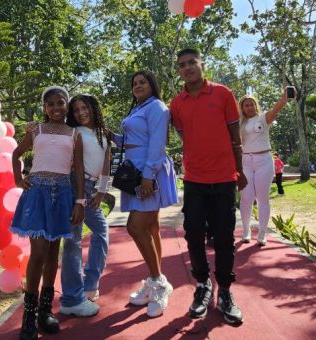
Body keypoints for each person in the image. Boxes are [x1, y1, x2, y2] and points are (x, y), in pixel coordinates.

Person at [169, 48, 246, 325]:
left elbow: (235, 137)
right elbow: (185, 136)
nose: (187, 68)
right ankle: (202, 286)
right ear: (179, 71)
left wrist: (240, 170)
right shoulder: (176, 104)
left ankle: (224, 290)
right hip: (194, 180)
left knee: (224, 237)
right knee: (193, 235)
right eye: (182, 65)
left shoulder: (223, 93)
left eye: (192, 62)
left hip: (224, 178)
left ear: (202, 64)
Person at [10, 86, 85, 340]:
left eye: (60, 103)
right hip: (38, 193)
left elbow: (78, 169)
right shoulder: (35, 130)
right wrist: (18, 179)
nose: (56, 108)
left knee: (53, 252)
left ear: (67, 105)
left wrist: (80, 201)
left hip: (62, 194)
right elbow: (16, 153)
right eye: (50, 104)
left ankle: (45, 311)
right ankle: (29, 315)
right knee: (39, 252)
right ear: (44, 107)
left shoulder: (74, 134)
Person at [119, 70, 178, 318]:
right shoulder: (138, 108)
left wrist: (148, 175)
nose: (137, 85)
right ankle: (156, 280)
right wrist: (109, 135)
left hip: (147, 172)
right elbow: (132, 140)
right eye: (134, 83)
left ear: (152, 84)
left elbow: (157, 143)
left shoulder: (157, 107)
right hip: (136, 171)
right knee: (151, 227)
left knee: (135, 226)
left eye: (142, 82)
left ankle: (158, 283)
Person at [58, 94, 111, 317]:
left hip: (90, 188)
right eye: (76, 110)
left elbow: (106, 164)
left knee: (101, 232)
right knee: (73, 241)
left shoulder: (102, 133)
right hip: (75, 185)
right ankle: (71, 298)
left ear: (93, 108)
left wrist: (102, 191)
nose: (81, 113)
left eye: (84, 107)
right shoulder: (74, 132)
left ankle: (89, 286)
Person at [238, 91, 290, 246]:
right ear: (242, 108)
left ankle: (262, 233)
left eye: (251, 104)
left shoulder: (264, 118)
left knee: (263, 198)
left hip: (264, 161)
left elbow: (277, 108)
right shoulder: (239, 123)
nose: (249, 107)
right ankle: (246, 230)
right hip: (245, 162)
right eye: (246, 105)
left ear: (256, 106)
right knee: (246, 198)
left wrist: (285, 97)